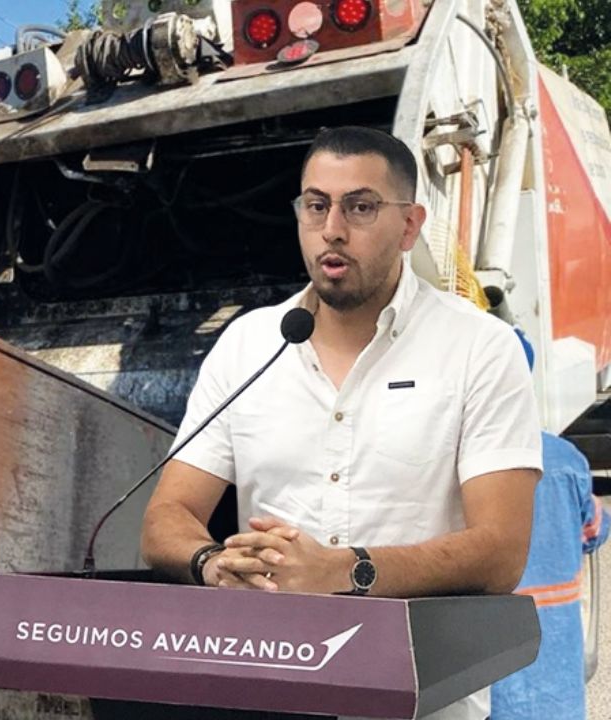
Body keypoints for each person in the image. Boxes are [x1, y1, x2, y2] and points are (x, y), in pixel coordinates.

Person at [140, 127, 542, 720]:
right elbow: (165, 519)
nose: (332, 228)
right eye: (316, 204)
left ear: (409, 226)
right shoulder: (248, 344)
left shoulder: (479, 347)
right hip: (265, 693)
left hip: (420, 701)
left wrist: (345, 570)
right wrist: (212, 563)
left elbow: (500, 552)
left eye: (360, 206)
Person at [490, 332, 610, 720]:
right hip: (556, 687)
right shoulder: (565, 459)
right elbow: (594, 533)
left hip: (494, 688)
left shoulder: (456, 461)